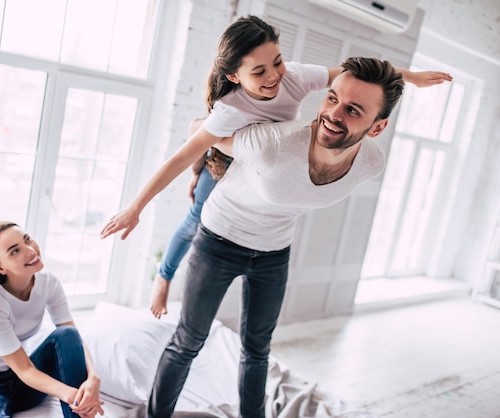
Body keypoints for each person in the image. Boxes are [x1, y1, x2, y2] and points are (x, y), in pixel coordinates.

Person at [101, 56, 418, 418]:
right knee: (189, 341)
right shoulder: (272, 144)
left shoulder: (371, 164)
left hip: (273, 251)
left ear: (377, 128)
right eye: (331, 98)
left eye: (353, 110)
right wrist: (136, 207)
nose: (333, 114)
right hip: (218, 239)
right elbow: (197, 139)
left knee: (257, 350)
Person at [148, 15, 452, 319]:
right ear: (235, 76)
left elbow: (354, 78)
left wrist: (409, 77)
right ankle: (163, 277)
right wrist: (180, 182)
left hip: (261, 159)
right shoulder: (231, 108)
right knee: (194, 219)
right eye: (259, 71)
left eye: (277, 62)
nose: (273, 76)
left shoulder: (294, 77)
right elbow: (187, 152)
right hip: (228, 152)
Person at [0, 221, 104, 418]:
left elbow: (73, 338)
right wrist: (71, 394)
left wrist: (93, 378)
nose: (31, 250)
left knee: (67, 334)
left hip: (22, 384)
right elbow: (24, 369)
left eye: (27, 240)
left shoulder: (48, 283)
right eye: (15, 251)